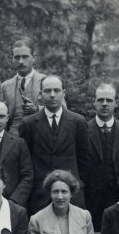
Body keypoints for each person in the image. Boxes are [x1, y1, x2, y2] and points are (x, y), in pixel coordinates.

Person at [19, 75, 90, 212]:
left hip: (71, 194)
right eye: (47, 91)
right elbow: (25, 162)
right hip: (40, 195)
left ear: (64, 93)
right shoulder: (29, 123)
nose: (52, 95)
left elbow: (85, 159)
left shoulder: (78, 122)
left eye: (56, 91)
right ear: (40, 94)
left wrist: (76, 184)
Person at [83, 83, 119, 232]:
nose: (104, 104)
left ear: (116, 103)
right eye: (100, 100)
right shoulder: (82, 131)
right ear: (94, 102)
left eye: (109, 100)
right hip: (90, 202)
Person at [0, 39, 51, 135]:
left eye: (25, 57)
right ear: (12, 59)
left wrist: (38, 110)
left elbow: (61, 111)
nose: (21, 61)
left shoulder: (48, 82)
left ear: (33, 57)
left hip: (40, 138)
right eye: (17, 57)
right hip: (12, 140)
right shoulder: (5, 86)